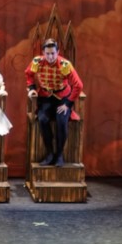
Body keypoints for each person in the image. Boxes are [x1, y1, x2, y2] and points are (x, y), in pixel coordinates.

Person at [25, 38, 84, 167]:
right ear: (43, 53)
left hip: (62, 98)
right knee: (42, 119)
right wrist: (32, 88)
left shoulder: (64, 65)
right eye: (47, 53)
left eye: (53, 53)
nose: (50, 56)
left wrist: (68, 103)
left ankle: (59, 154)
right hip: (45, 97)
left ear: (57, 52)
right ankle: (50, 153)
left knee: (61, 121)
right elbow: (28, 74)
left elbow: (78, 85)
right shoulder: (37, 62)